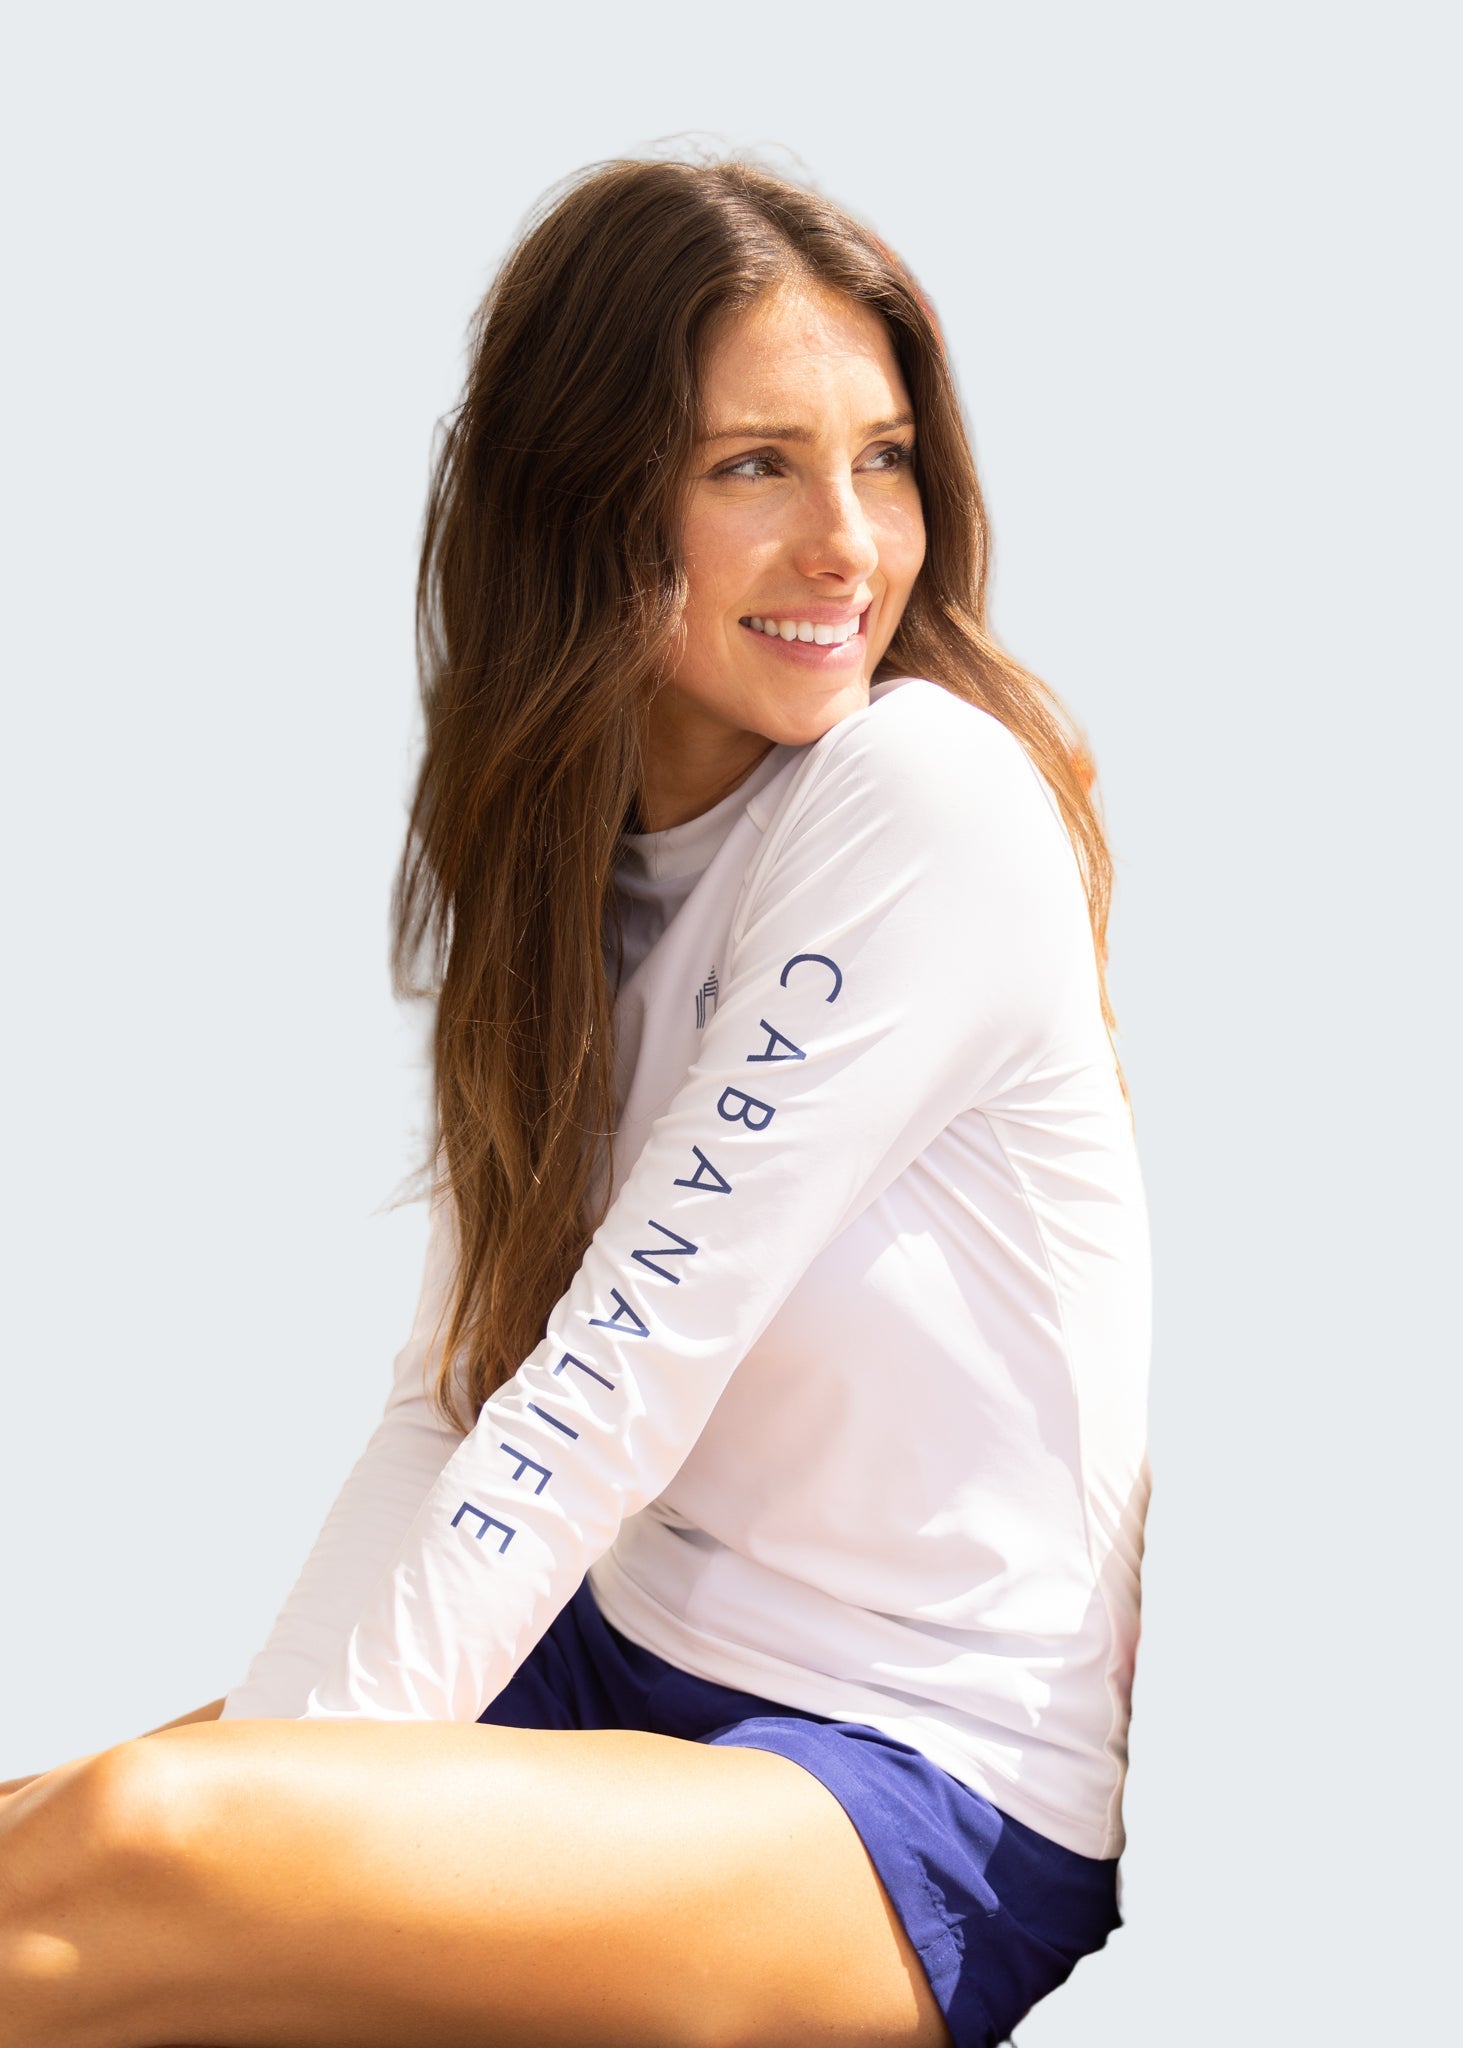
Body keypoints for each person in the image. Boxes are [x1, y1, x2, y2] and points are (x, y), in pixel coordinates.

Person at [0, 157, 1151, 2048]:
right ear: (586, 497)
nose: (850, 544)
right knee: (44, 1846)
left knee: (129, 1852)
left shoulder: (925, 803)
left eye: (883, 461)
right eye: (752, 467)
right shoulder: (553, 855)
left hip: (910, 1785)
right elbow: (454, 1393)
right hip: (611, 1657)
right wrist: (277, 1819)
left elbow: (612, 1378)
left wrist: (266, 1841)